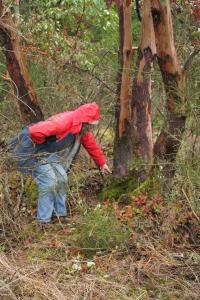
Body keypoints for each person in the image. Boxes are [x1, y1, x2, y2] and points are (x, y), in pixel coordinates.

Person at [9, 103, 111, 224]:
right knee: (49, 181)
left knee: (62, 178)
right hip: (32, 150)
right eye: (90, 125)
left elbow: (91, 144)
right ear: (85, 121)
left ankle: (59, 215)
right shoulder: (64, 122)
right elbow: (35, 132)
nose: (91, 128)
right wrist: (41, 146)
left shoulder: (80, 128)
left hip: (47, 153)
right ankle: (43, 221)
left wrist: (102, 163)